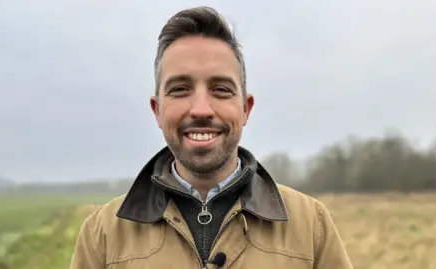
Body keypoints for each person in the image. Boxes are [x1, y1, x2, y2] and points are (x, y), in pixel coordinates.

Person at [70, 6, 353, 269]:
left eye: (221, 89)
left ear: (246, 108)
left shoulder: (312, 227)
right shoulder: (102, 234)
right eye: (180, 89)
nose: (202, 110)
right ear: (157, 110)